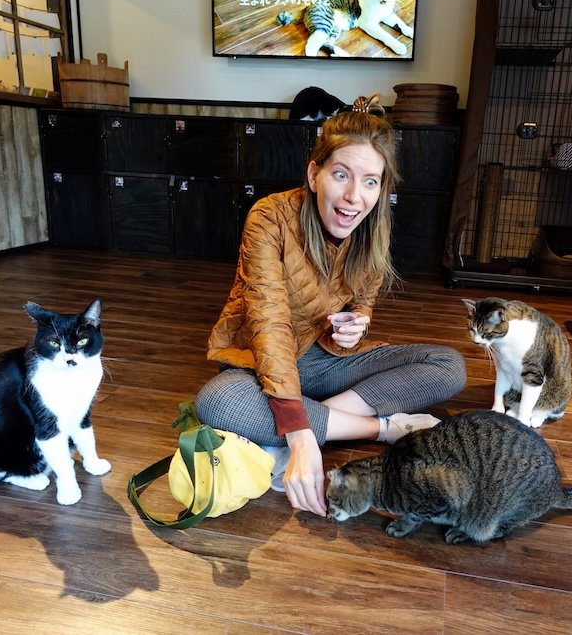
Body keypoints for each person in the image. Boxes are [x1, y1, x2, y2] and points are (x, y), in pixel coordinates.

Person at [195, 95, 467, 517]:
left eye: (371, 182)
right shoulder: (269, 217)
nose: (354, 197)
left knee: (449, 365)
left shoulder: (371, 229)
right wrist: (303, 438)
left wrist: (357, 325)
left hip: (323, 361)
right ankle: (383, 429)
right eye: (341, 174)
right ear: (314, 173)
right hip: (260, 360)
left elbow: (363, 303)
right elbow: (269, 322)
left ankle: (292, 424)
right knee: (218, 403)